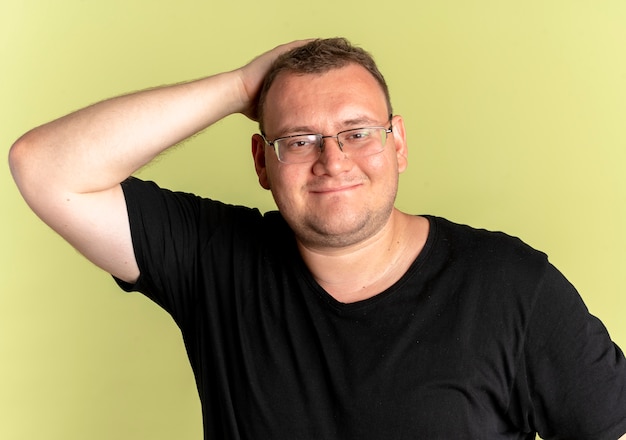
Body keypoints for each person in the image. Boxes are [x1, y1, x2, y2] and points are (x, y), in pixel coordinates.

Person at [9, 37, 626, 439]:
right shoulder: (217, 263)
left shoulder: (512, 286)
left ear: (398, 143)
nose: (332, 160)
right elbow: (43, 167)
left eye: (357, 132)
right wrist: (237, 87)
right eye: (298, 140)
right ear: (261, 162)